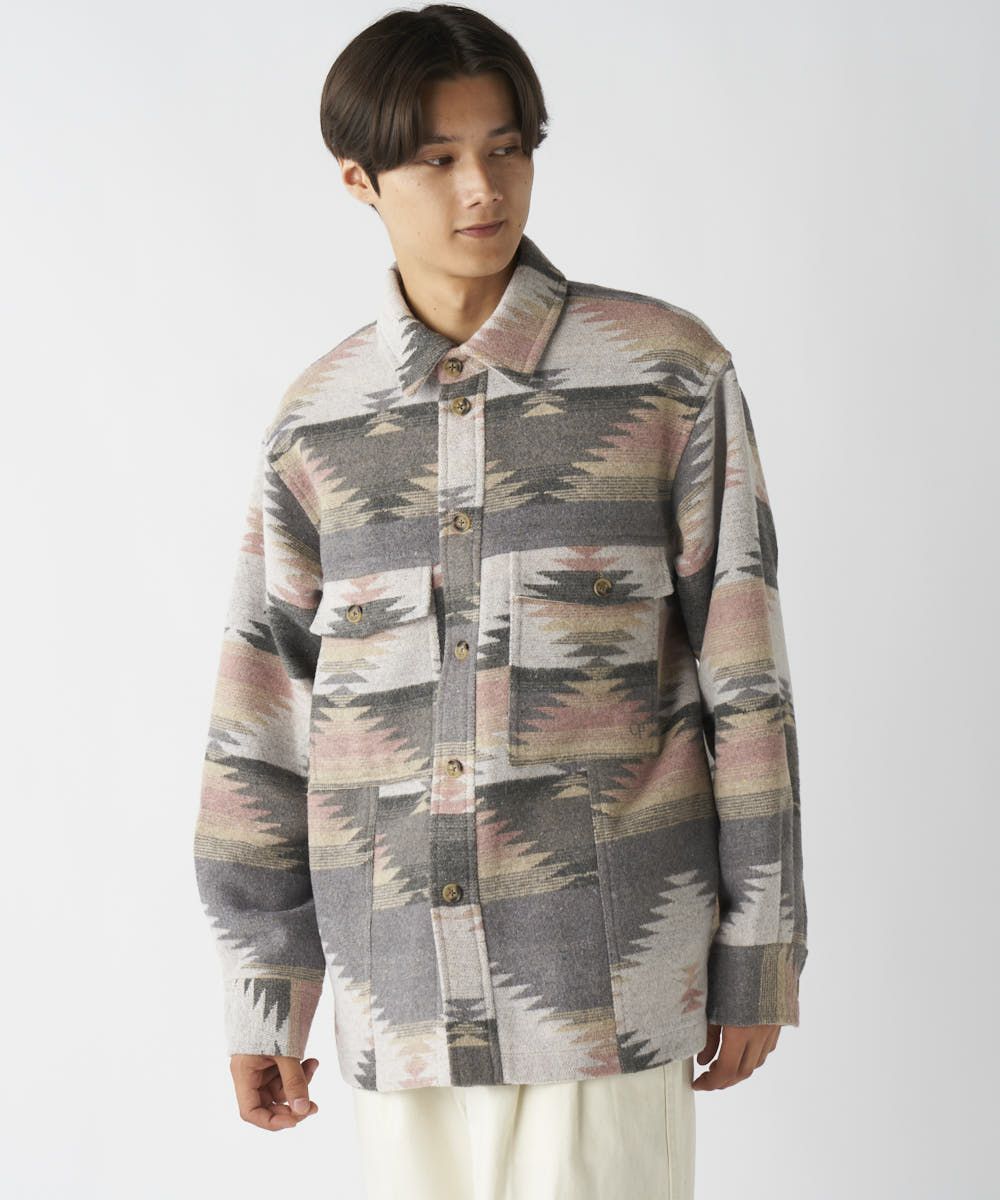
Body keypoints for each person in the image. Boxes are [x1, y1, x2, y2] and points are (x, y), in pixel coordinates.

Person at [193, 5, 808, 1197]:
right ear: (359, 180)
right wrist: (264, 986)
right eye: (437, 159)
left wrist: (757, 949)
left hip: (609, 989)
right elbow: (260, 718)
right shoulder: (316, 421)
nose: (482, 187)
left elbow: (745, 683)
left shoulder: (667, 376)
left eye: (507, 147)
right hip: (398, 991)